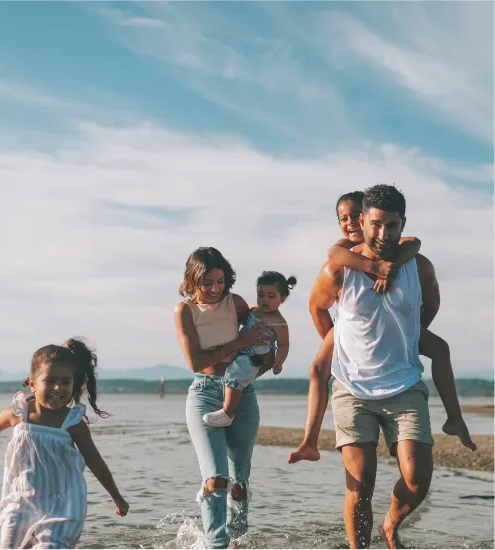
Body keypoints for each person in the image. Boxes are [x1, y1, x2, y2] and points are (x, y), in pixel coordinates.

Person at [290, 184, 454, 549]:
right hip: (352, 387)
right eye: (375, 224)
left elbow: (431, 304)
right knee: (360, 483)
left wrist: (408, 333)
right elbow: (316, 307)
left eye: (391, 225)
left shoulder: (417, 264)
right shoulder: (338, 268)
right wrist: (336, 338)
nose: (383, 234)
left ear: (401, 224)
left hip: (404, 382)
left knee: (417, 480)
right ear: (363, 223)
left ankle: (390, 525)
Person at [288, 190, 475, 466]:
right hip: (350, 330)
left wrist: (412, 329)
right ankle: (310, 441)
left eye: (355, 216)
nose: (350, 223)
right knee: (318, 369)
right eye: (344, 219)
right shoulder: (341, 251)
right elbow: (328, 268)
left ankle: (455, 417)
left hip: (397, 330)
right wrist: (339, 336)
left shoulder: (403, 249)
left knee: (440, 349)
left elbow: (414, 244)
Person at [0, 338, 129, 549]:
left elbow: (94, 460)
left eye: (65, 382)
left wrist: (116, 496)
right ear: (32, 383)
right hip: (20, 502)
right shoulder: (19, 413)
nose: (58, 388)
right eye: (50, 380)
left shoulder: (72, 423)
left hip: (62, 506)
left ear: (74, 384)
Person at [174, 247, 273, 549]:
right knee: (217, 479)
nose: (215, 289)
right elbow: (196, 362)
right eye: (207, 283)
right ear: (192, 280)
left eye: (220, 281)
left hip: (242, 394)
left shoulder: (237, 304)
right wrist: (239, 343)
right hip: (204, 394)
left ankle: (238, 539)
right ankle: (216, 544)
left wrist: (264, 359)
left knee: (239, 483)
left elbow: (265, 334)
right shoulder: (185, 311)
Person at [203, 271, 296, 428]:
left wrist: (279, 361)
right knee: (230, 373)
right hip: (242, 348)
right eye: (261, 295)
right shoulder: (254, 309)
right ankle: (226, 403)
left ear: (283, 298)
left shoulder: (279, 323)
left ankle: (227, 413)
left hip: (256, 356)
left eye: (271, 296)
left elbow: (283, 344)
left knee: (235, 375)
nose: (264, 299)